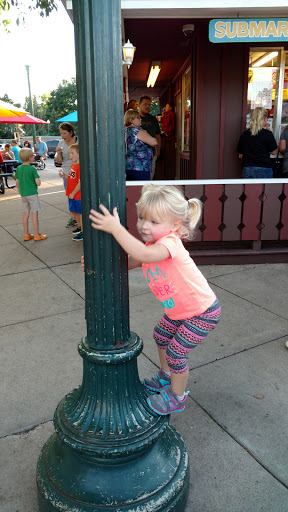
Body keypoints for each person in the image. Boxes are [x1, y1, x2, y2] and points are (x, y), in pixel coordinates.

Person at [86, 184, 221, 415]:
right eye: (141, 218)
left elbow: (143, 255)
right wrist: (97, 267)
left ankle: (177, 398)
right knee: (161, 335)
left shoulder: (169, 244)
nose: (144, 226)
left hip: (202, 312)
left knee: (176, 353)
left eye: (153, 222)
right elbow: (131, 261)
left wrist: (116, 229)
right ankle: (167, 376)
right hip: (179, 312)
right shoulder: (151, 245)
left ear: (175, 225)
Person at [14, 148, 47, 242]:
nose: (34, 157)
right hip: (32, 194)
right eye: (32, 155)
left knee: (25, 213)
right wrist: (38, 180)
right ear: (29, 158)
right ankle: (36, 235)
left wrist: (19, 191)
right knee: (34, 214)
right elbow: (38, 183)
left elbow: (17, 181)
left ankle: (26, 234)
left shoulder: (19, 168)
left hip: (23, 194)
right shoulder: (32, 169)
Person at [237, 107, 278, 178]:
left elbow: (240, 155)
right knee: (263, 189)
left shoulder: (245, 134)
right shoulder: (267, 134)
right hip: (263, 168)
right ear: (265, 118)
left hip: (247, 168)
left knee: (248, 189)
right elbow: (274, 152)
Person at [55, 122, 78, 228]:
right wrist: (58, 153)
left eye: (65, 133)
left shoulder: (79, 140)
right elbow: (59, 162)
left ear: (71, 132)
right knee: (70, 196)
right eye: (61, 133)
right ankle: (73, 218)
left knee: (80, 195)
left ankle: (81, 216)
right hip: (66, 172)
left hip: (78, 171)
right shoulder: (61, 143)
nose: (62, 136)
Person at [124, 109, 157, 180]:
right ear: (131, 120)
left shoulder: (125, 131)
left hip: (128, 166)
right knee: (141, 189)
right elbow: (154, 142)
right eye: (138, 118)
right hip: (140, 167)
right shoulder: (137, 131)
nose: (140, 119)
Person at [138, 96, 161, 179]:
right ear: (139, 105)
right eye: (145, 104)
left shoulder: (153, 119)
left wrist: (158, 151)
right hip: (136, 156)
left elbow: (157, 136)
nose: (147, 106)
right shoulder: (134, 118)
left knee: (149, 177)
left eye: (149, 104)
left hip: (151, 153)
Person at [66, 144, 83, 241]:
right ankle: (80, 226)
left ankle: (83, 232)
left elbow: (80, 182)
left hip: (77, 195)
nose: (70, 155)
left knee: (80, 213)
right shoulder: (73, 165)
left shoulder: (80, 167)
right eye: (70, 153)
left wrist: (73, 193)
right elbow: (72, 178)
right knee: (73, 211)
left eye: (72, 153)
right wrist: (64, 176)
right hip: (71, 194)